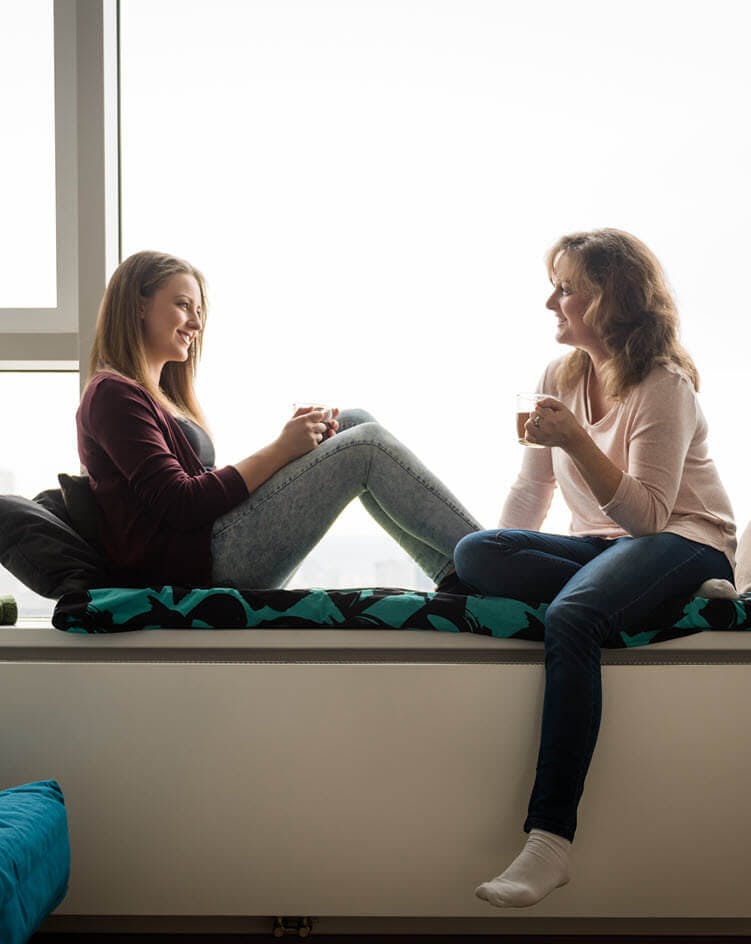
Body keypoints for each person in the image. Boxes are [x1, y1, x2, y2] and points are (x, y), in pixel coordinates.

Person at [454, 229, 736, 908]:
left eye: (567, 287)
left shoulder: (662, 385)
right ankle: (657, 598)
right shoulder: (559, 376)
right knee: (474, 553)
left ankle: (549, 841)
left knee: (575, 614)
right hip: (606, 550)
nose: (552, 299)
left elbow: (646, 516)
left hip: (684, 536)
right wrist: (487, 565)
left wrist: (576, 439)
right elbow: (531, 493)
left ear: (610, 297)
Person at [77, 250, 481, 592]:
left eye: (199, 312)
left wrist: (293, 451)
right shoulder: (113, 394)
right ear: (139, 304)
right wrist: (280, 450)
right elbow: (182, 503)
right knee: (367, 445)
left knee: (354, 422)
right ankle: (501, 561)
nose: (197, 325)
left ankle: (456, 578)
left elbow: (201, 495)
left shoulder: (155, 396)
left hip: (210, 546)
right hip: (198, 566)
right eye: (183, 305)